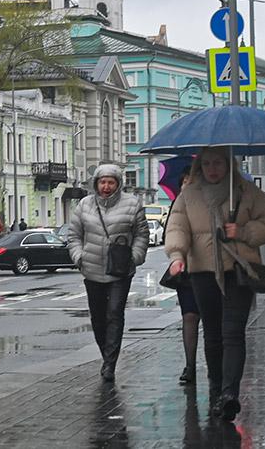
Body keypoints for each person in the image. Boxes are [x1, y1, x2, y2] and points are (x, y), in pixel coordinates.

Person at [164, 146, 265, 422]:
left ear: (229, 165)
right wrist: (177, 256)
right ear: (199, 167)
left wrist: (243, 231)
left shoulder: (246, 191)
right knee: (213, 335)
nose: (212, 169)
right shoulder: (188, 195)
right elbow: (177, 227)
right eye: (207, 164)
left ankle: (229, 394)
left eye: (218, 163)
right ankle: (216, 392)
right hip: (202, 273)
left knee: (233, 333)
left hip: (238, 271)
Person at [66, 164, 149, 382]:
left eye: (111, 182)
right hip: (92, 269)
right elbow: (73, 235)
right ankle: (106, 354)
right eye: (102, 182)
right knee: (98, 318)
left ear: (118, 183)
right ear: (96, 183)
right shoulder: (84, 205)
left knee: (114, 314)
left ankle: (110, 363)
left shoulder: (132, 204)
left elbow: (141, 234)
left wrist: (135, 257)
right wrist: (79, 257)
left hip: (120, 270)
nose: (106, 186)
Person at [164, 167, 200, 386]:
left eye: (192, 181)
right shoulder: (176, 208)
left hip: (211, 269)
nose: (187, 185)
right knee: (189, 317)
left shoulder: (211, 204)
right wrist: (177, 255)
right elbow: (171, 233)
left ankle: (215, 366)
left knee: (214, 321)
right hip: (186, 270)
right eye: (184, 182)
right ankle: (190, 365)